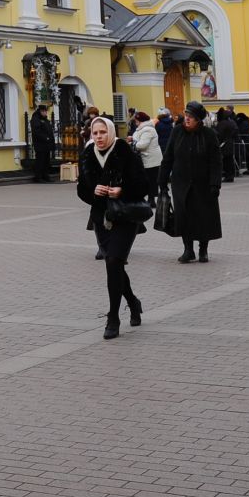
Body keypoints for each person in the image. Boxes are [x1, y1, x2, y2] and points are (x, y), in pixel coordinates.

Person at [78, 115, 146, 339]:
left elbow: (144, 184)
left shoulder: (125, 151)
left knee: (114, 261)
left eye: (102, 132)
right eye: (95, 133)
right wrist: (92, 192)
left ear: (111, 132)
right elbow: (81, 189)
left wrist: (122, 191)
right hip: (102, 218)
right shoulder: (88, 154)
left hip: (125, 217)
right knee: (114, 265)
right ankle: (133, 303)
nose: (98, 137)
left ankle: (113, 317)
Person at [167, 103, 223, 263]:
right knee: (184, 216)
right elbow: (168, 156)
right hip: (181, 183)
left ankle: (203, 250)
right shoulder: (177, 132)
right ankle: (188, 249)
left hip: (203, 184)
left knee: (203, 217)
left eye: (190, 117)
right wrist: (162, 180)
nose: (187, 119)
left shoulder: (209, 134)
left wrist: (215, 183)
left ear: (198, 120)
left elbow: (216, 161)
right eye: (186, 116)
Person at [128, 111, 163, 201]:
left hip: (151, 160)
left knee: (150, 180)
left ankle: (151, 200)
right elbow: (139, 138)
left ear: (140, 121)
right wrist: (133, 138)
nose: (135, 122)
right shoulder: (142, 128)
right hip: (146, 158)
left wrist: (132, 143)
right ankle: (150, 200)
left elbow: (142, 145)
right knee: (148, 180)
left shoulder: (148, 129)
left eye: (136, 121)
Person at [29, 103, 56, 182]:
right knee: (40, 161)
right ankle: (38, 177)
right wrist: (46, 138)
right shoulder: (36, 119)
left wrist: (50, 139)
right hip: (40, 144)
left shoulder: (44, 119)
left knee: (46, 161)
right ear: (40, 111)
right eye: (44, 111)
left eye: (46, 111)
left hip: (46, 144)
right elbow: (37, 132)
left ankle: (45, 176)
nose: (45, 113)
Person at [214, 107, 241, 183]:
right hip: (229, 143)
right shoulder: (230, 123)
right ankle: (230, 176)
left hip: (224, 144)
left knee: (226, 161)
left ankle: (228, 176)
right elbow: (235, 131)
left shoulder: (222, 124)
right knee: (229, 160)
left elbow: (219, 134)